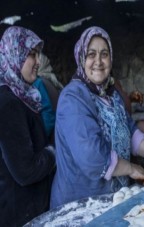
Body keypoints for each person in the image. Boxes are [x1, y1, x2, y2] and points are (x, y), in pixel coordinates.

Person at [50, 26, 144, 209]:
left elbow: (130, 130)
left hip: (114, 199)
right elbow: (92, 157)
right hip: (82, 204)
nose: (98, 61)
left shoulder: (111, 93)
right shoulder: (73, 98)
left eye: (104, 54)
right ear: (81, 58)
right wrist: (131, 168)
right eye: (91, 54)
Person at [0, 26, 56, 226]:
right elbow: (25, 172)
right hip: (20, 216)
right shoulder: (8, 103)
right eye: (32, 55)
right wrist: (53, 152)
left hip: (30, 210)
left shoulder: (22, 96)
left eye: (38, 55)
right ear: (14, 54)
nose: (38, 62)